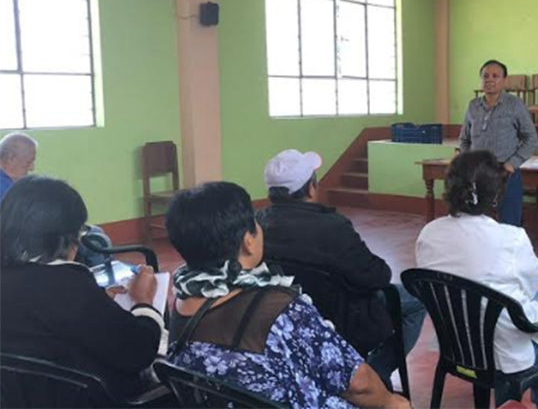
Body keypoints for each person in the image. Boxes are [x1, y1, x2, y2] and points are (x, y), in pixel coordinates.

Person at [165, 181, 410, 409]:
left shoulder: (181, 302)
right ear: (248, 241)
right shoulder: (278, 310)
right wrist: (392, 402)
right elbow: (358, 384)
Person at [257, 149, 426, 389]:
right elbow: (377, 276)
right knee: (416, 301)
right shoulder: (333, 226)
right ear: (311, 189)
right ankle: (376, 371)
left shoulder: (257, 225)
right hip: (344, 317)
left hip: (285, 317)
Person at [416, 150, 538, 409]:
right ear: (495, 196)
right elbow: (531, 287)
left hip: (458, 349)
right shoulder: (511, 238)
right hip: (507, 358)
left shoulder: (429, 234)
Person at [0, 175, 164, 399]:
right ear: (63, 237)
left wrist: (97, 300)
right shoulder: (66, 285)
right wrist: (144, 301)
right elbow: (138, 352)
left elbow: (39, 317)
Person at [0, 131, 112, 267]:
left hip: (26, 239)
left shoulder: (15, 182)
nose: (32, 168)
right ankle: (94, 278)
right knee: (96, 238)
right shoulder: (8, 188)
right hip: (28, 241)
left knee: (92, 233)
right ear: (11, 158)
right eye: (29, 162)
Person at [459, 59, 538, 226]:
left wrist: (511, 164)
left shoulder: (515, 104)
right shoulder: (473, 106)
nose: (490, 80)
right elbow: (464, 139)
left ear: (504, 80)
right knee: (479, 224)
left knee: (509, 226)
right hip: (478, 174)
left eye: (495, 76)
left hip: (506, 173)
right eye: (485, 76)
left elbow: (531, 138)